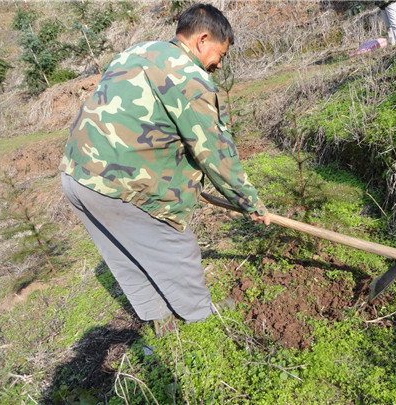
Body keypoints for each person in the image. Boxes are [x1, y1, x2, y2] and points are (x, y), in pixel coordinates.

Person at [59, 3, 270, 334]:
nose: (218, 64)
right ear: (202, 40)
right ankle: (201, 319)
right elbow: (213, 151)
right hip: (118, 182)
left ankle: (159, 319)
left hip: (76, 174)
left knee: (122, 251)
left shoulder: (139, 51)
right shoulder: (189, 77)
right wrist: (249, 202)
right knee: (175, 245)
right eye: (220, 54)